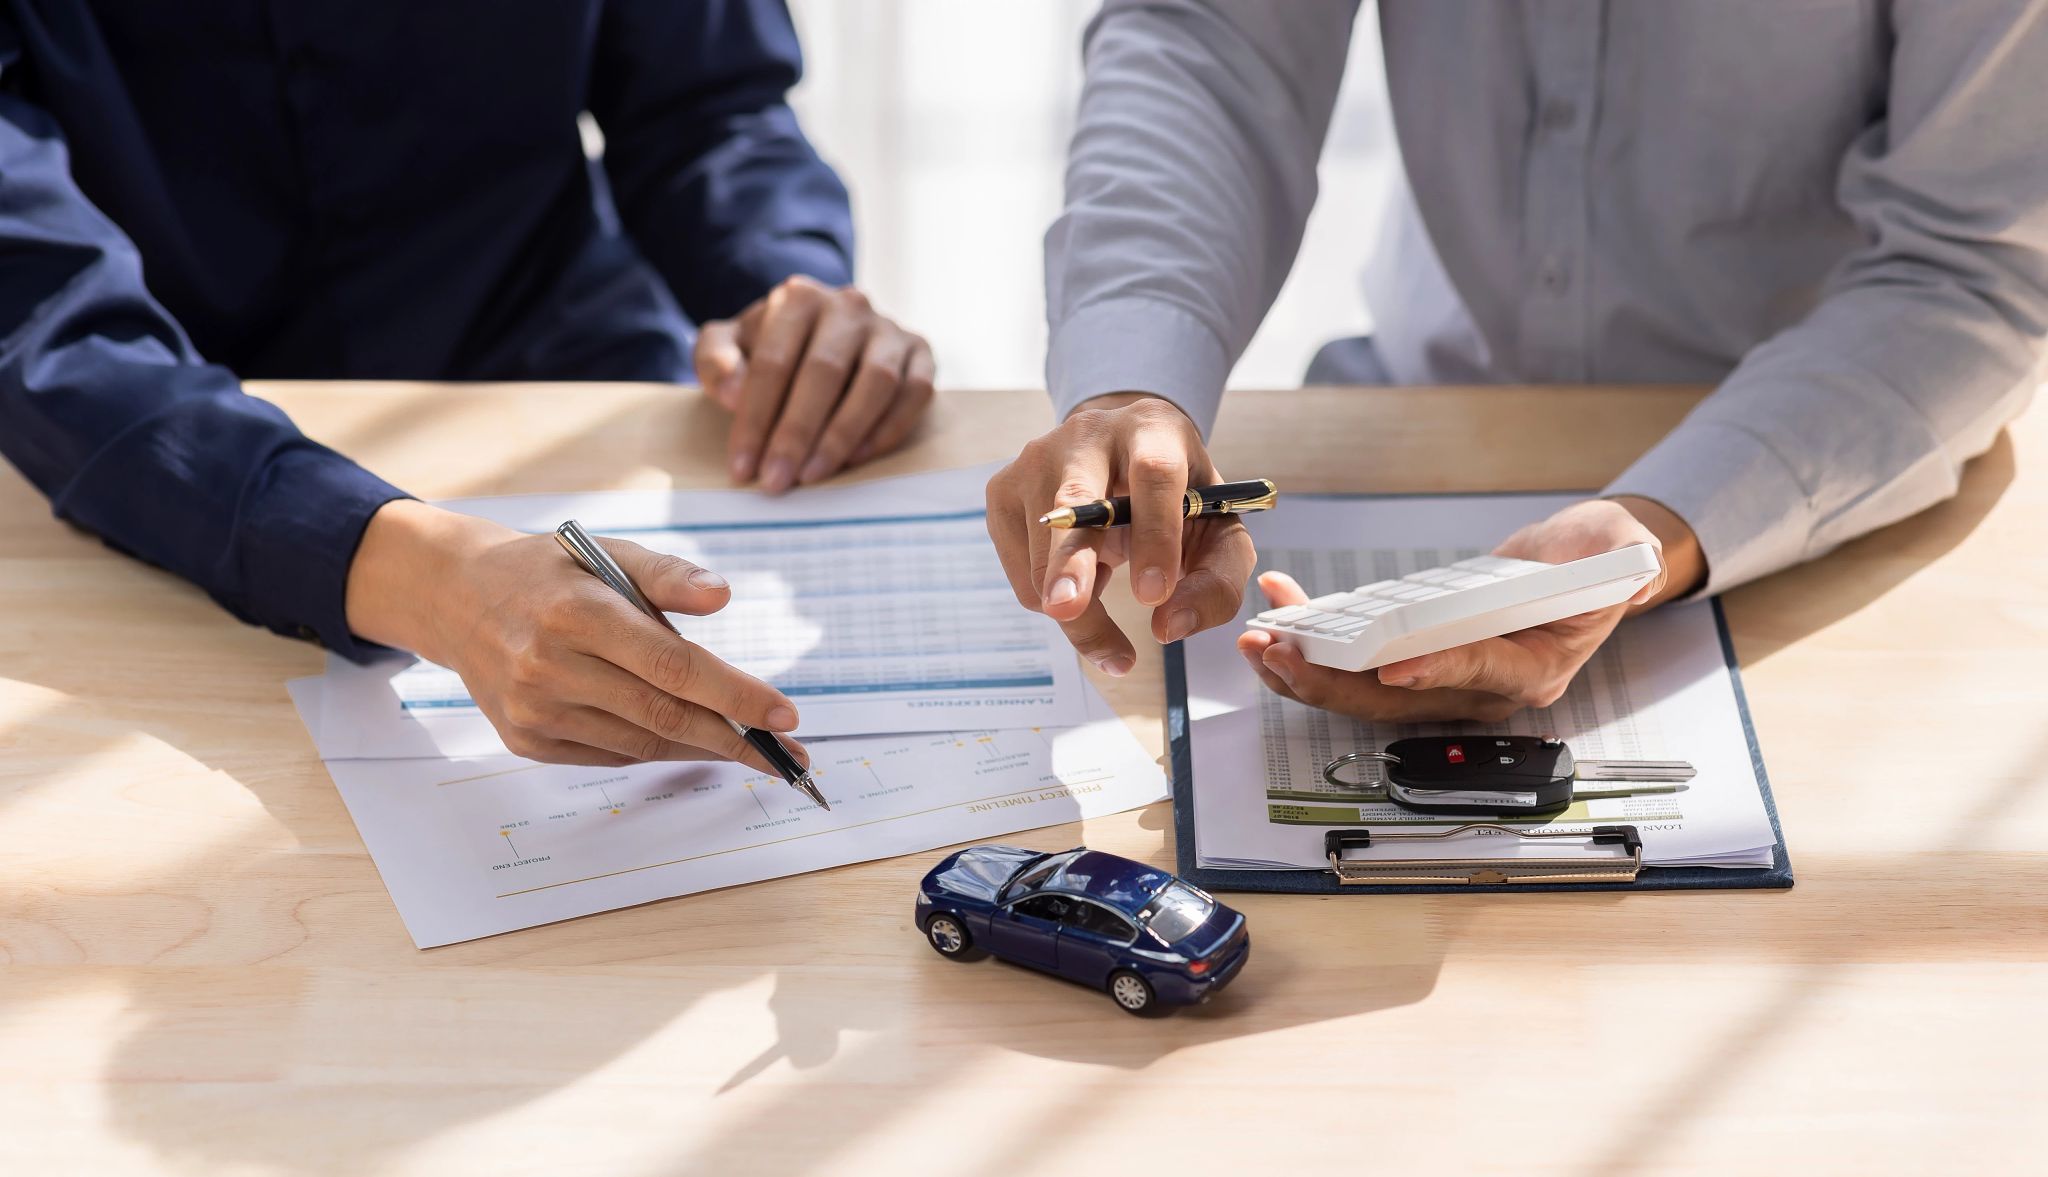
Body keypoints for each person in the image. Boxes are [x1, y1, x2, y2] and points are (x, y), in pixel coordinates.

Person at [987, 0, 2047, 722]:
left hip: (1828, 492)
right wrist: (1132, 372)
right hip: (1420, 409)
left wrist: (1659, 529)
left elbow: (1972, 262)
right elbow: (1212, 37)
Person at [0, 0, 935, 769]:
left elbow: (709, 104)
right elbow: (45, 322)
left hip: (580, 379)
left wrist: (783, 288)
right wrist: (424, 579)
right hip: (163, 456)